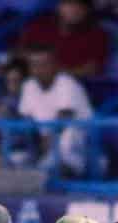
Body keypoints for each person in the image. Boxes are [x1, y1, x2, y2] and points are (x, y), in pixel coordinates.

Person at [17, 45, 94, 177]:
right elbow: (25, 118)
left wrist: (47, 141)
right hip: (44, 142)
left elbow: (63, 118)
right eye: (35, 65)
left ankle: (68, 170)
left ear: (55, 65)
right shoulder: (28, 85)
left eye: (44, 64)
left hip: (81, 140)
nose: (39, 69)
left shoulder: (66, 82)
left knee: (69, 134)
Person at [16, 0, 110, 79]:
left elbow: (91, 69)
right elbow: (19, 54)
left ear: (88, 11)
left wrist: (55, 74)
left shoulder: (97, 35)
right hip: (31, 81)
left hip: (72, 87)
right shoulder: (38, 27)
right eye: (70, 4)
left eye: (81, 6)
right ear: (59, 6)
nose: (75, 10)